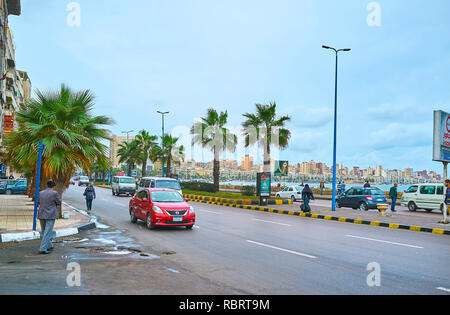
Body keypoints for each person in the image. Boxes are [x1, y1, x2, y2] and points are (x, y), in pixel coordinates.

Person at [37, 181, 61, 255]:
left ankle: (49, 245)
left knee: (44, 231)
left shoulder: (41, 193)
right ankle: (42, 248)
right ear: (53, 187)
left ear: (47, 186)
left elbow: (38, 202)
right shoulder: (54, 193)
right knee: (47, 232)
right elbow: (59, 202)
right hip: (50, 215)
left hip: (41, 214)